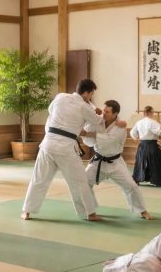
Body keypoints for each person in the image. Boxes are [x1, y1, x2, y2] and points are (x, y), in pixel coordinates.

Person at [22, 79, 104, 221]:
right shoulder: (84, 107)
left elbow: (50, 110)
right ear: (86, 93)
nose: (90, 97)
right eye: (91, 94)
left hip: (47, 143)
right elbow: (97, 121)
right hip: (65, 147)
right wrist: (99, 113)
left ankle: (26, 211)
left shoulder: (60, 97)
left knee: (39, 179)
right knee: (79, 181)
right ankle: (90, 213)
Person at [82, 100, 152, 220]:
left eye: (107, 112)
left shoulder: (120, 127)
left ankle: (142, 211)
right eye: (104, 110)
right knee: (83, 183)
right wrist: (87, 128)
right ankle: (90, 210)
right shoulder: (98, 121)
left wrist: (89, 134)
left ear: (115, 114)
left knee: (131, 186)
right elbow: (88, 138)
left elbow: (107, 140)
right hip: (98, 160)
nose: (104, 113)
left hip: (115, 163)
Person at [130, 106, 161, 186]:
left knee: (140, 162)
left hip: (142, 144)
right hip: (152, 145)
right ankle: (157, 180)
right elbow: (160, 133)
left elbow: (133, 133)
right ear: (150, 112)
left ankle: (137, 178)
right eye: (152, 112)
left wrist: (136, 138)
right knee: (156, 161)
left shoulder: (139, 122)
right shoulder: (153, 122)